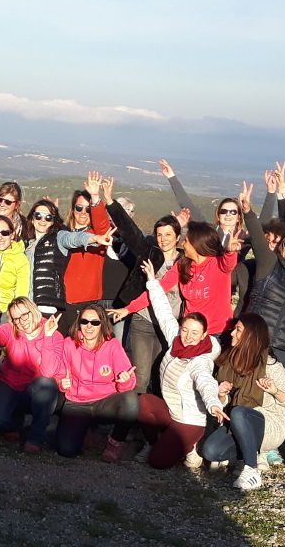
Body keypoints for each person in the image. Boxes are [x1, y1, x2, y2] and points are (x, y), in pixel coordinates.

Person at [135, 264, 224, 470]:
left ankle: (191, 447)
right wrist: (152, 281)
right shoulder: (176, 340)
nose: (188, 336)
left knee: (158, 463)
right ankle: (154, 443)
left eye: (194, 333)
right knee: (144, 402)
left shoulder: (201, 359)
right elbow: (164, 312)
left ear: (204, 335)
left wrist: (214, 404)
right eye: (185, 330)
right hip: (171, 412)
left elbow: (205, 382)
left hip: (189, 421)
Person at [199, 314, 285, 491]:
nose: (232, 334)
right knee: (210, 451)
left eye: (238, 330)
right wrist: (221, 395)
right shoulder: (228, 360)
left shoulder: (269, 365)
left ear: (251, 336)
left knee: (239, 412)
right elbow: (224, 406)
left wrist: (275, 391)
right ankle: (252, 454)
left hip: (269, 424)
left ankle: (251, 469)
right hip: (237, 422)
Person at [104, 175, 183, 395]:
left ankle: (151, 424)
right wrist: (110, 202)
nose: (163, 239)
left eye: (168, 234)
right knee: (141, 377)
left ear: (178, 236)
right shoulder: (149, 252)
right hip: (143, 320)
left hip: (170, 325)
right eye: (159, 234)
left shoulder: (185, 262)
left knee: (161, 378)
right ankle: (124, 423)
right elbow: (130, 232)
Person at [111, 221, 240, 337]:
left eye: (186, 241)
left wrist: (230, 252)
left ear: (197, 245)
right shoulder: (182, 265)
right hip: (190, 333)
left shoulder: (217, 264)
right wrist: (128, 309)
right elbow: (158, 290)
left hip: (217, 332)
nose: (182, 244)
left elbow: (228, 263)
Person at [236, 181, 285, 374]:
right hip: (256, 339)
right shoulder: (269, 263)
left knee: (271, 398)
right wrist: (247, 210)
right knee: (244, 386)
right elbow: (258, 238)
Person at [53, 304, 139, 461]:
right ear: (79, 323)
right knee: (66, 450)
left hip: (105, 401)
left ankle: (115, 443)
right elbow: (59, 371)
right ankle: (89, 434)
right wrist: (61, 381)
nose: (89, 326)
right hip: (77, 402)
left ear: (102, 324)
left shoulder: (112, 345)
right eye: (85, 321)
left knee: (131, 400)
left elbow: (129, 377)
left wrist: (124, 382)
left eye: (95, 322)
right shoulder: (69, 343)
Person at [0, 297, 64, 453]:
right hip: (9, 383)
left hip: (36, 389)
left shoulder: (54, 334)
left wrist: (47, 337)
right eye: (16, 318)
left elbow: (49, 372)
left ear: (33, 311)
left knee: (46, 384)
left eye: (24, 315)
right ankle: (16, 424)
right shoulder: (11, 329)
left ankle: (35, 437)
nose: (22, 321)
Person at [22, 198, 111, 320]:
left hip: (47, 307)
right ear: (32, 219)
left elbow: (74, 238)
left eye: (48, 217)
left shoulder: (59, 237)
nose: (43, 220)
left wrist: (95, 238)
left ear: (53, 221)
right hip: (27, 306)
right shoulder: (27, 244)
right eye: (38, 216)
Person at [60, 172, 113, 333]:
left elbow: (103, 227)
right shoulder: (62, 233)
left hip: (87, 301)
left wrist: (96, 197)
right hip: (61, 300)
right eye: (79, 207)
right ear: (72, 208)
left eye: (88, 209)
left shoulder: (97, 236)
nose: (83, 212)